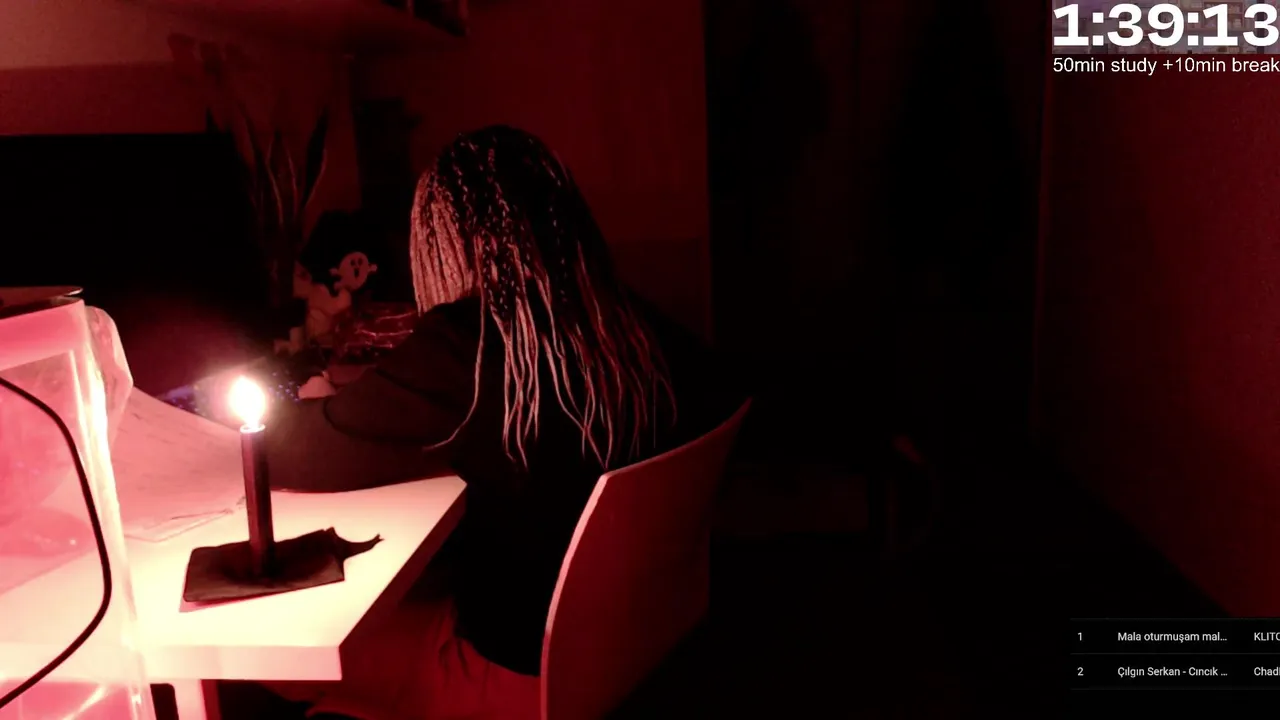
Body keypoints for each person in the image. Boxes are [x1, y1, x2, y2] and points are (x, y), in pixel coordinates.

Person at [261, 125, 740, 720]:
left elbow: (293, 452)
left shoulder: (470, 344)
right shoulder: (633, 322)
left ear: (449, 239)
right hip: (627, 647)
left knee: (278, 653)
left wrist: (315, 398)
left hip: (511, 674)